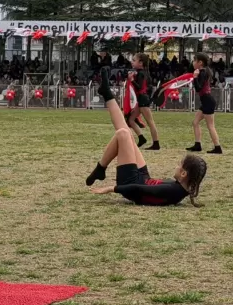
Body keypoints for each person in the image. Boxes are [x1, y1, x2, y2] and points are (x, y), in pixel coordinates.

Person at [86, 68, 207, 206]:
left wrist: (111, 189)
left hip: (131, 183)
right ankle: (106, 92)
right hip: (142, 177)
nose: (176, 166)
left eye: (179, 165)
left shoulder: (173, 190)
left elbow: (138, 189)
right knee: (127, 134)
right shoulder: (180, 188)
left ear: (184, 174)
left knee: (123, 133)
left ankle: (101, 168)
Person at [186, 53, 222, 154]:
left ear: (200, 62)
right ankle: (197, 145)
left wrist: (195, 77)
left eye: (194, 61)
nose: (193, 63)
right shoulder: (204, 71)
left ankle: (217, 147)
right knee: (195, 122)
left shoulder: (202, 72)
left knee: (210, 125)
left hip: (207, 101)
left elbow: (198, 88)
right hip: (206, 100)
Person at [127, 53, 161, 151]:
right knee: (131, 119)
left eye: (134, 60)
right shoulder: (142, 72)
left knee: (150, 122)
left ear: (141, 63)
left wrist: (132, 80)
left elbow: (139, 87)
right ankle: (142, 138)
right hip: (141, 99)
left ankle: (156, 143)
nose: (132, 62)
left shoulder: (141, 73)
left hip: (143, 99)